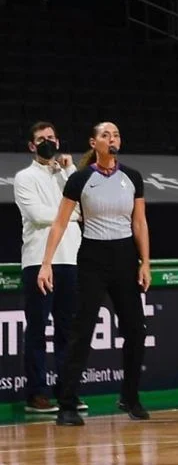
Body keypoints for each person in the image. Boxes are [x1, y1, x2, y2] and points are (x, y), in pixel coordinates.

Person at [38, 122, 152, 426]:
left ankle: (130, 397)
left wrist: (145, 262)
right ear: (94, 142)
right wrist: (46, 263)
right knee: (82, 331)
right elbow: (60, 223)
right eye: (105, 135)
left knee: (136, 331)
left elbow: (139, 223)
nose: (111, 139)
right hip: (92, 258)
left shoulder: (133, 178)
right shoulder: (80, 179)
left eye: (115, 134)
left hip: (126, 257)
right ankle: (67, 403)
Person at [14, 122, 81, 414]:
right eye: (41, 139)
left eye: (52, 138)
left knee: (68, 331)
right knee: (38, 329)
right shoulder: (24, 177)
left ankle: (67, 393)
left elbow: (84, 204)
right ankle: (36, 394)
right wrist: (71, 213)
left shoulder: (65, 175)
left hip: (71, 259)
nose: (48, 142)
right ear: (32, 146)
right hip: (39, 261)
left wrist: (68, 171)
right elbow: (37, 214)